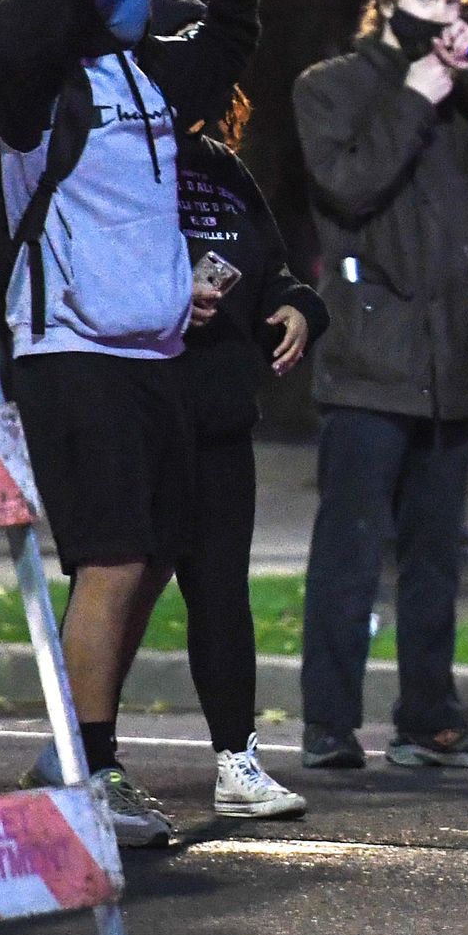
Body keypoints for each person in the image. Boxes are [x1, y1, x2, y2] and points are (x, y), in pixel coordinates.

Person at [0, 0, 261, 846]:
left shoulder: (142, 71)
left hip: (154, 359)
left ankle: (69, 749)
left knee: (146, 564)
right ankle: (91, 769)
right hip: (72, 355)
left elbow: (222, 53)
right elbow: (10, 40)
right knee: (111, 559)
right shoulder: (35, 90)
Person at [293, 0, 468, 771]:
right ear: (390, 2)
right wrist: (412, 95)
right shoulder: (331, 87)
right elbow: (348, 185)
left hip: (450, 356)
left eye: (453, 3)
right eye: (429, 1)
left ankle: (428, 718)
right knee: (351, 550)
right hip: (371, 355)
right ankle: (330, 724)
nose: (443, 17)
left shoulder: (460, 90)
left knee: (434, 551)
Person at [172, 86, 328, 818]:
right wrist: (166, 295)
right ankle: (83, 753)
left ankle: (237, 759)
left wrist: (298, 305)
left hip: (221, 411)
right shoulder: (116, 160)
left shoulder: (225, 168)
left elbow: (271, 266)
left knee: (221, 590)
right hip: (143, 410)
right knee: (118, 584)